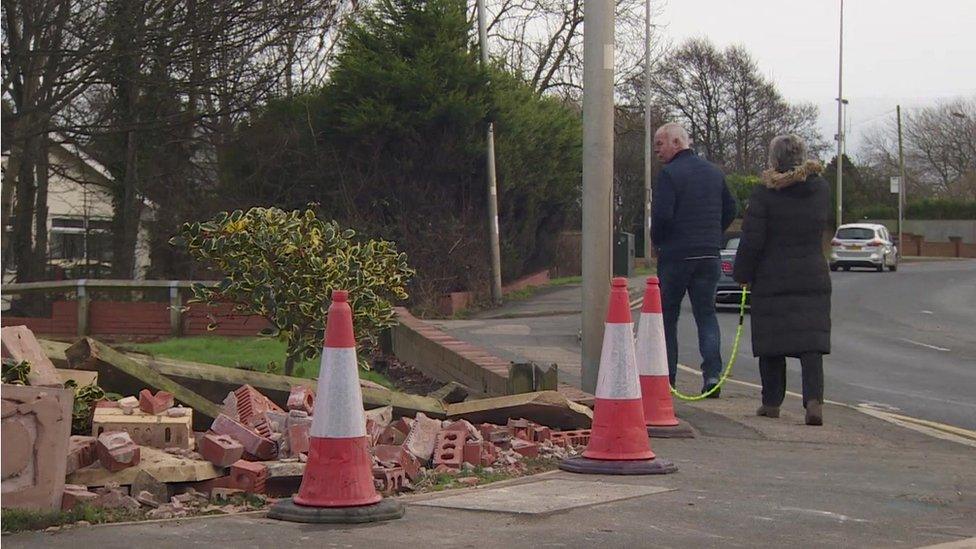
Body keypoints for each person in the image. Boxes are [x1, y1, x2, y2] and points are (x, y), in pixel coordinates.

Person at [732, 134, 832, 426]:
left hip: (771, 275)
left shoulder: (765, 194)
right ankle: (813, 401)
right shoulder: (821, 189)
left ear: (774, 160)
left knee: (771, 342)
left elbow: (753, 239)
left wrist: (743, 273)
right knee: (811, 344)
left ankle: (771, 402)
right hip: (812, 273)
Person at [651, 123, 737, 397]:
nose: (656, 151)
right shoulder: (714, 173)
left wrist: (659, 242)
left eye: (659, 144)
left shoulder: (669, 174)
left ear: (677, 142)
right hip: (709, 254)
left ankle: (668, 378)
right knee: (706, 315)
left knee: (667, 317)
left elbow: (662, 216)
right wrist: (713, 233)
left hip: (677, 256)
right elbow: (731, 208)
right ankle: (712, 377)